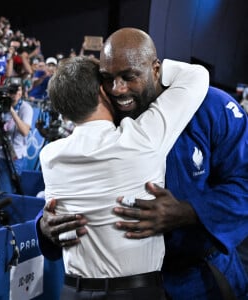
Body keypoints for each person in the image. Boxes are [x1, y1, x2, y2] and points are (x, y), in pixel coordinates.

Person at [36, 28, 248, 300]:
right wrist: (45, 225)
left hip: (199, 280)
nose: (117, 88)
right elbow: (72, 184)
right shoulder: (103, 115)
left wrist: (190, 212)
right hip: (128, 288)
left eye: (128, 76)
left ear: (156, 70)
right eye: (108, 78)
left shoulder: (212, 107)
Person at [0, 83, 33, 194]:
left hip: (13, 156)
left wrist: (11, 110)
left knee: (6, 192)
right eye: (11, 92)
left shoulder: (26, 108)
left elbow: (25, 132)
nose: (13, 94)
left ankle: (3, 211)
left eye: (16, 91)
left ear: (21, 92)